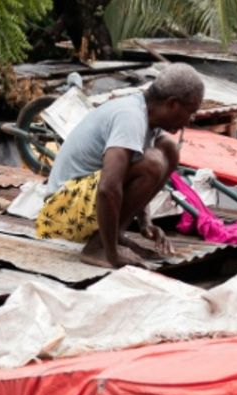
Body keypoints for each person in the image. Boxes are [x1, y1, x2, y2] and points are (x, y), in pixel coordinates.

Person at [35, 63, 205, 268]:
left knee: (169, 150)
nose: (190, 120)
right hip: (61, 210)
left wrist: (145, 223)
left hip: (83, 203)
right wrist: (112, 254)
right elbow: (108, 187)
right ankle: (99, 247)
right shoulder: (130, 116)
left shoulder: (148, 119)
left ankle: (114, 236)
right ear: (173, 104)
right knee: (153, 163)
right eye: (191, 112)